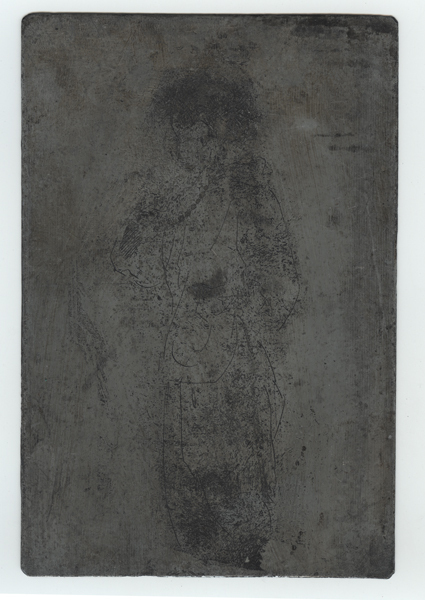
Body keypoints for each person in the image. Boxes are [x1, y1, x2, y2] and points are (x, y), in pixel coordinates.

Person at [111, 71, 300, 569]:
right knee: (189, 440)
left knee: (239, 440)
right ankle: (199, 541)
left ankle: (244, 541)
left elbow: (281, 265)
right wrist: (170, 291)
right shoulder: (165, 193)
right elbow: (128, 254)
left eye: (207, 135)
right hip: (186, 341)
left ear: (221, 136)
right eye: (187, 135)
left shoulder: (246, 186)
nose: (197, 145)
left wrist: (247, 297)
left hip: (234, 339)